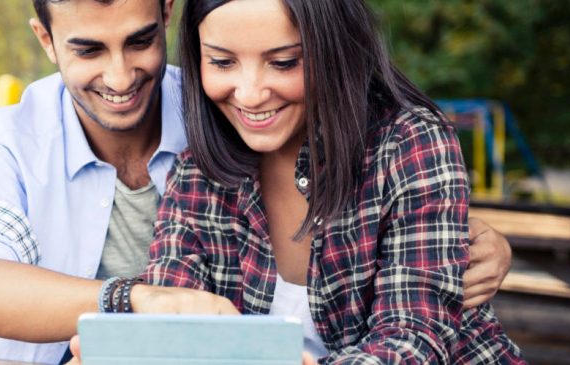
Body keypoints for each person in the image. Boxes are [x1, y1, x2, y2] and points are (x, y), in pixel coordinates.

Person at [0, 1, 513, 364]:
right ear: (46, 39)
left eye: (139, 42)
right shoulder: (9, 140)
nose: (119, 76)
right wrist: (136, 315)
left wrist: (447, 227)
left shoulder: (216, 112)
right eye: (88, 49)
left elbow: (411, 332)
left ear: (166, 16)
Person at [130, 0, 525, 363]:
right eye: (222, 62)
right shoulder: (195, 174)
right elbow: (173, 321)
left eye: (283, 62)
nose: (249, 95)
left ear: (336, 48)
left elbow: (414, 337)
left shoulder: (410, 144)